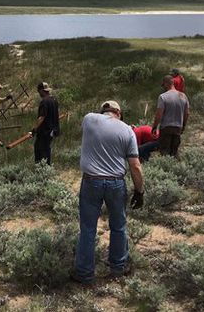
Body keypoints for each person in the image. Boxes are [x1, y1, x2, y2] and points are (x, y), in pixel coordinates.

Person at [72, 101, 144, 284]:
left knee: (88, 228)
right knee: (118, 226)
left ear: (103, 110)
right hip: (116, 183)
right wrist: (139, 191)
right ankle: (118, 268)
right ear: (119, 112)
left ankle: (84, 273)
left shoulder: (89, 119)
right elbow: (135, 166)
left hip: (91, 181)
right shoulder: (127, 130)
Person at [152, 75, 190, 158]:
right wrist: (183, 125)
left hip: (166, 128)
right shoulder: (183, 96)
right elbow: (187, 113)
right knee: (175, 152)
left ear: (166, 84)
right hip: (178, 128)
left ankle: (167, 169)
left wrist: (154, 127)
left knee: (165, 153)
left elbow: (159, 114)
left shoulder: (163, 97)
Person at [31, 82, 60, 165]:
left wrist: (34, 129)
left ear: (42, 91)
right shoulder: (54, 100)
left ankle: (42, 170)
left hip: (45, 131)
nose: (39, 93)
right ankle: (46, 169)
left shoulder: (44, 102)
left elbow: (41, 117)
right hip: (52, 131)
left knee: (40, 151)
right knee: (46, 149)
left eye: (39, 91)